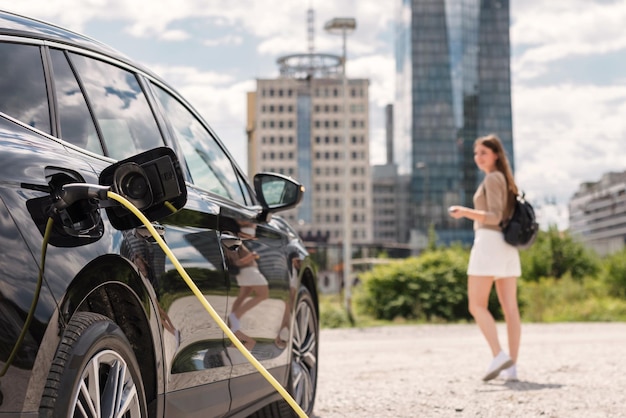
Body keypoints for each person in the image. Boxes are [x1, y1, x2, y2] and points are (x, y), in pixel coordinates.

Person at [448, 134, 521, 382]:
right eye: (476, 153)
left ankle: (499, 355)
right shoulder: (505, 179)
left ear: (496, 155)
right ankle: (511, 367)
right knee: (510, 308)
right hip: (507, 246)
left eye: (483, 153)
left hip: (490, 242)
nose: (478, 157)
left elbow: (495, 216)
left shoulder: (493, 178)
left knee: (476, 305)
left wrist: (464, 212)